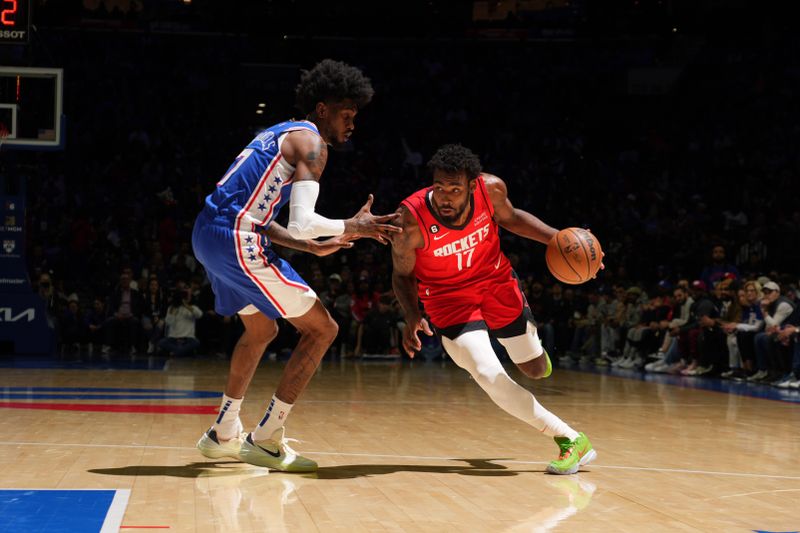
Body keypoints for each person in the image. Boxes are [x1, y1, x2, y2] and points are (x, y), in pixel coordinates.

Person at [192, 59, 400, 472]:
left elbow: (256, 213)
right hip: (235, 239)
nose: (352, 123)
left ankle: (224, 433)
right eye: (347, 114)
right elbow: (302, 222)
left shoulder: (277, 133)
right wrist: (354, 226)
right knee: (323, 328)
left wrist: (309, 246)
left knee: (261, 328)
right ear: (322, 109)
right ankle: (267, 438)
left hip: (208, 233)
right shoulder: (313, 144)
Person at [390, 144, 597, 475]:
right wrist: (412, 315)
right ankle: (570, 438)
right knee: (488, 374)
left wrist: (563, 241)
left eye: (455, 190)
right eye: (439, 187)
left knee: (533, 369)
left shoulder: (492, 190)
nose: (444, 197)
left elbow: (512, 219)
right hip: (448, 301)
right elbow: (401, 274)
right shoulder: (410, 220)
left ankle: (537, 354)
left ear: (473, 186)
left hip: (495, 283)